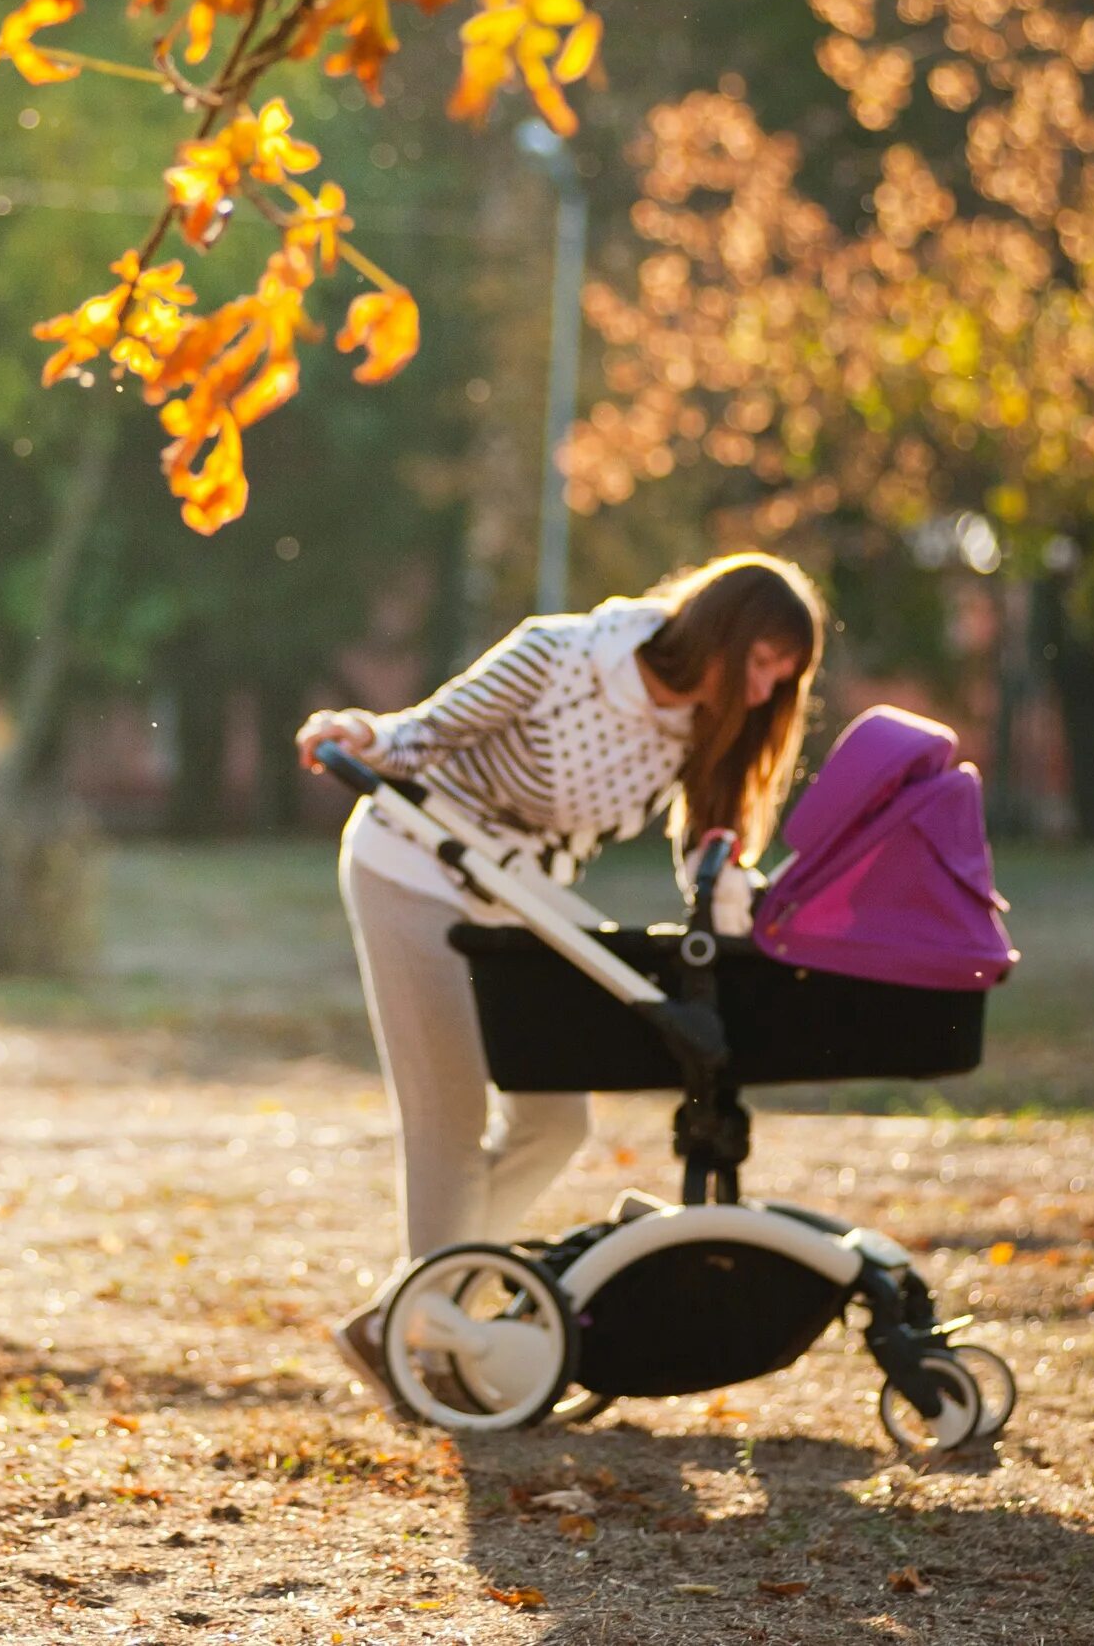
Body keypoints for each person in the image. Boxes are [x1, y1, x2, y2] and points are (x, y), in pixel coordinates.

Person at [293, 553, 826, 1396]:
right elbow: (424, 732)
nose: (765, 693)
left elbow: (710, 856)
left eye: (782, 679)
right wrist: (359, 734)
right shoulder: (563, 656)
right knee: (450, 1117)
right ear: (721, 632)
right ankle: (426, 1358)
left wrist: (748, 915)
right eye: (762, 664)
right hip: (415, 866)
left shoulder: (705, 726)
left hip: (522, 896)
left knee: (553, 1119)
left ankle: (405, 1315)